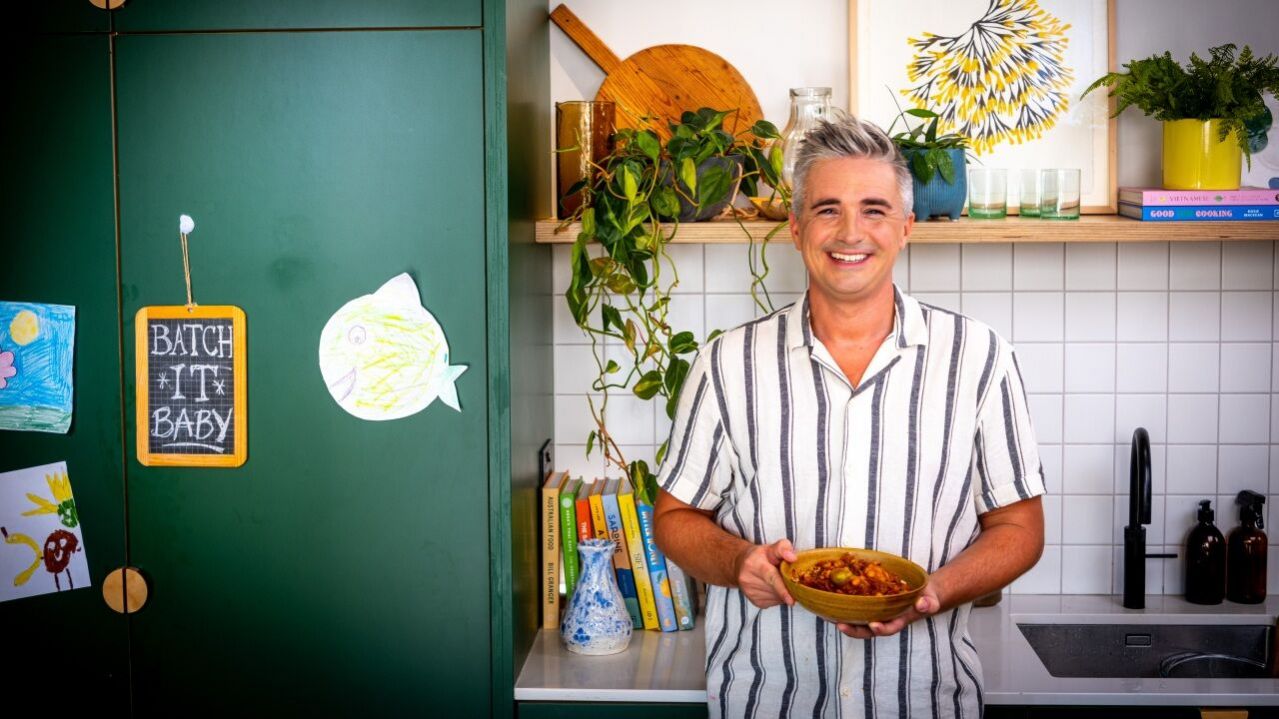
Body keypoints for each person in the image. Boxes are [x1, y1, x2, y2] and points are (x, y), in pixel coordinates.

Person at [652, 114, 1045, 718]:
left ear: (906, 226)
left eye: (874, 210)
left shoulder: (980, 358)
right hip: (767, 700)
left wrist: (932, 591)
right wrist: (738, 563)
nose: (851, 232)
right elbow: (675, 518)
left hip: (923, 701)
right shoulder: (726, 362)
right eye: (828, 209)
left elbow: (1020, 529)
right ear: (796, 227)